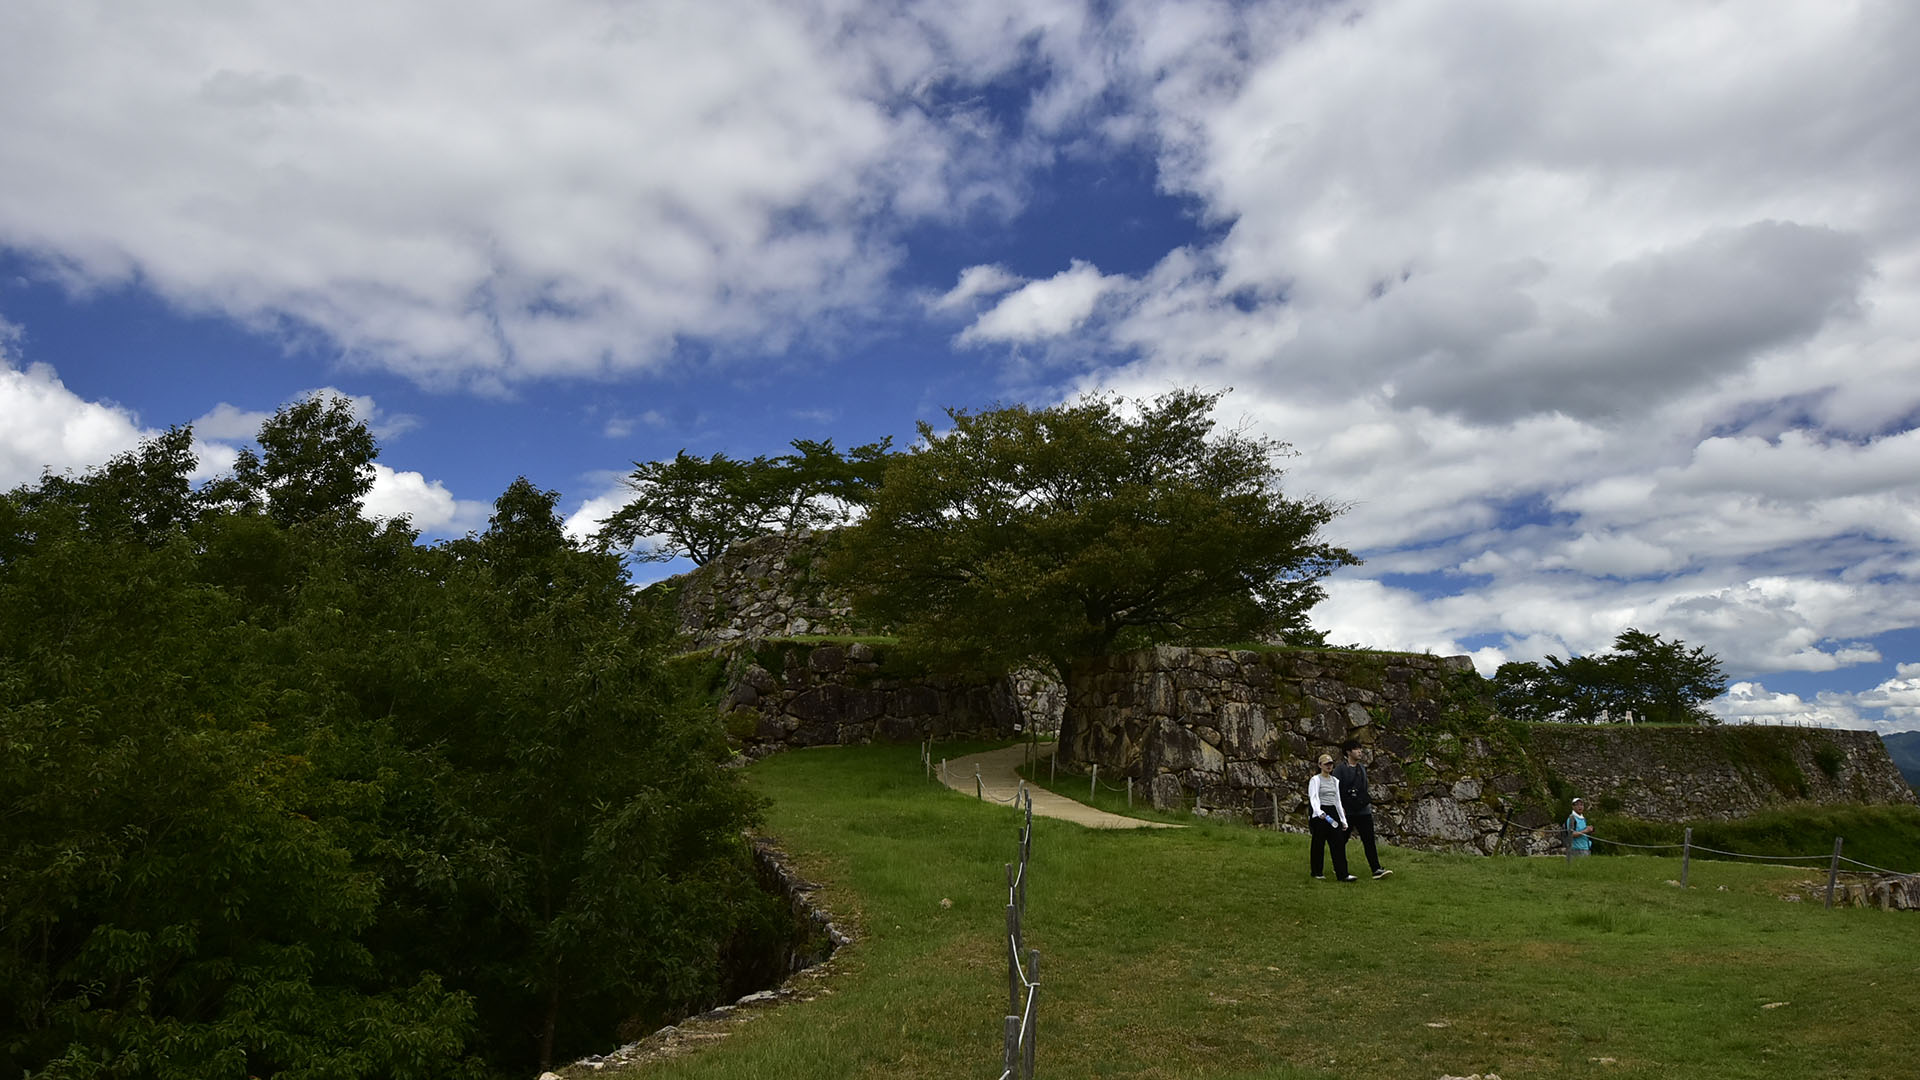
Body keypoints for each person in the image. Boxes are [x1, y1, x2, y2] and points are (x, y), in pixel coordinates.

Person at [1335, 741, 1390, 879]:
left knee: (1369, 840)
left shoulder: (1362, 768)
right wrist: (1341, 808)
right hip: (1347, 811)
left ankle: (1376, 868)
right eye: (1356, 749)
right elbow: (1336, 790)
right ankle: (1340, 868)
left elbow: (1364, 787)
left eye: (1360, 749)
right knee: (1341, 840)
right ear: (1348, 752)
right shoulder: (1341, 769)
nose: (1360, 751)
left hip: (1363, 811)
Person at [1307, 753, 1356, 881]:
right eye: (1326, 764)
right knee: (1318, 843)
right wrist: (1318, 812)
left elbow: (1337, 800)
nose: (1329, 766)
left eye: (1330, 764)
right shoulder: (1315, 780)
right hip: (1321, 813)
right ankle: (1317, 871)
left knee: (1338, 843)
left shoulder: (1335, 781)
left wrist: (1343, 820)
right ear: (1320, 765)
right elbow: (1314, 797)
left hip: (1332, 811)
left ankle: (1342, 874)